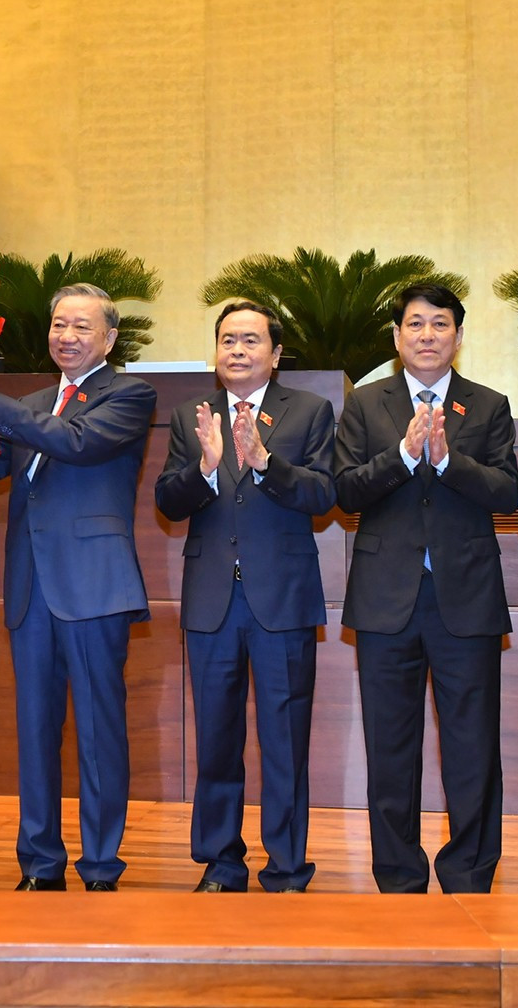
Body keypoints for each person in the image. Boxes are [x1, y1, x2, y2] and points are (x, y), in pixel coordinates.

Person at [0, 283, 155, 891]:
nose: (66, 335)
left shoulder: (129, 394)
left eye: (82, 327)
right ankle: (39, 863)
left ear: (109, 338)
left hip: (93, 587)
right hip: (30, 586)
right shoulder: (33, 400)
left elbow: (77, 444)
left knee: (98, 731)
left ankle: (101, 864)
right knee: (35, 731)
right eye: (60, 325)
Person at [332, 283, 518, 894]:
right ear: (397, 336)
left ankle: (469, 872)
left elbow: (507, 493)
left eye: (441, 325)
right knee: (391, 747)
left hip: (465, 598)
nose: (428, 335)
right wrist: (405, 456)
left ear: (459, 337)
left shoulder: (487, 406)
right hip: (388, 599)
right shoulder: (364, 404)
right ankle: (399, 875)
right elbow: (346, 491)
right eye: (416, 324)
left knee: (472, 747)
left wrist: (444, 461)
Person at [155, 300, 336, 893]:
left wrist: (265, 463)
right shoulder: (190, 417)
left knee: (284, 738)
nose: (237, 350)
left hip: (280, 598)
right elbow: (168, 501)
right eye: (228, 339)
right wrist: (204, 469)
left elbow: (322, 495)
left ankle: (286, 865)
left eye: (251, 340)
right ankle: (221, 861)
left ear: (276, 355)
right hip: (211, 600)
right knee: (216, 737)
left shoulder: (309, 412)